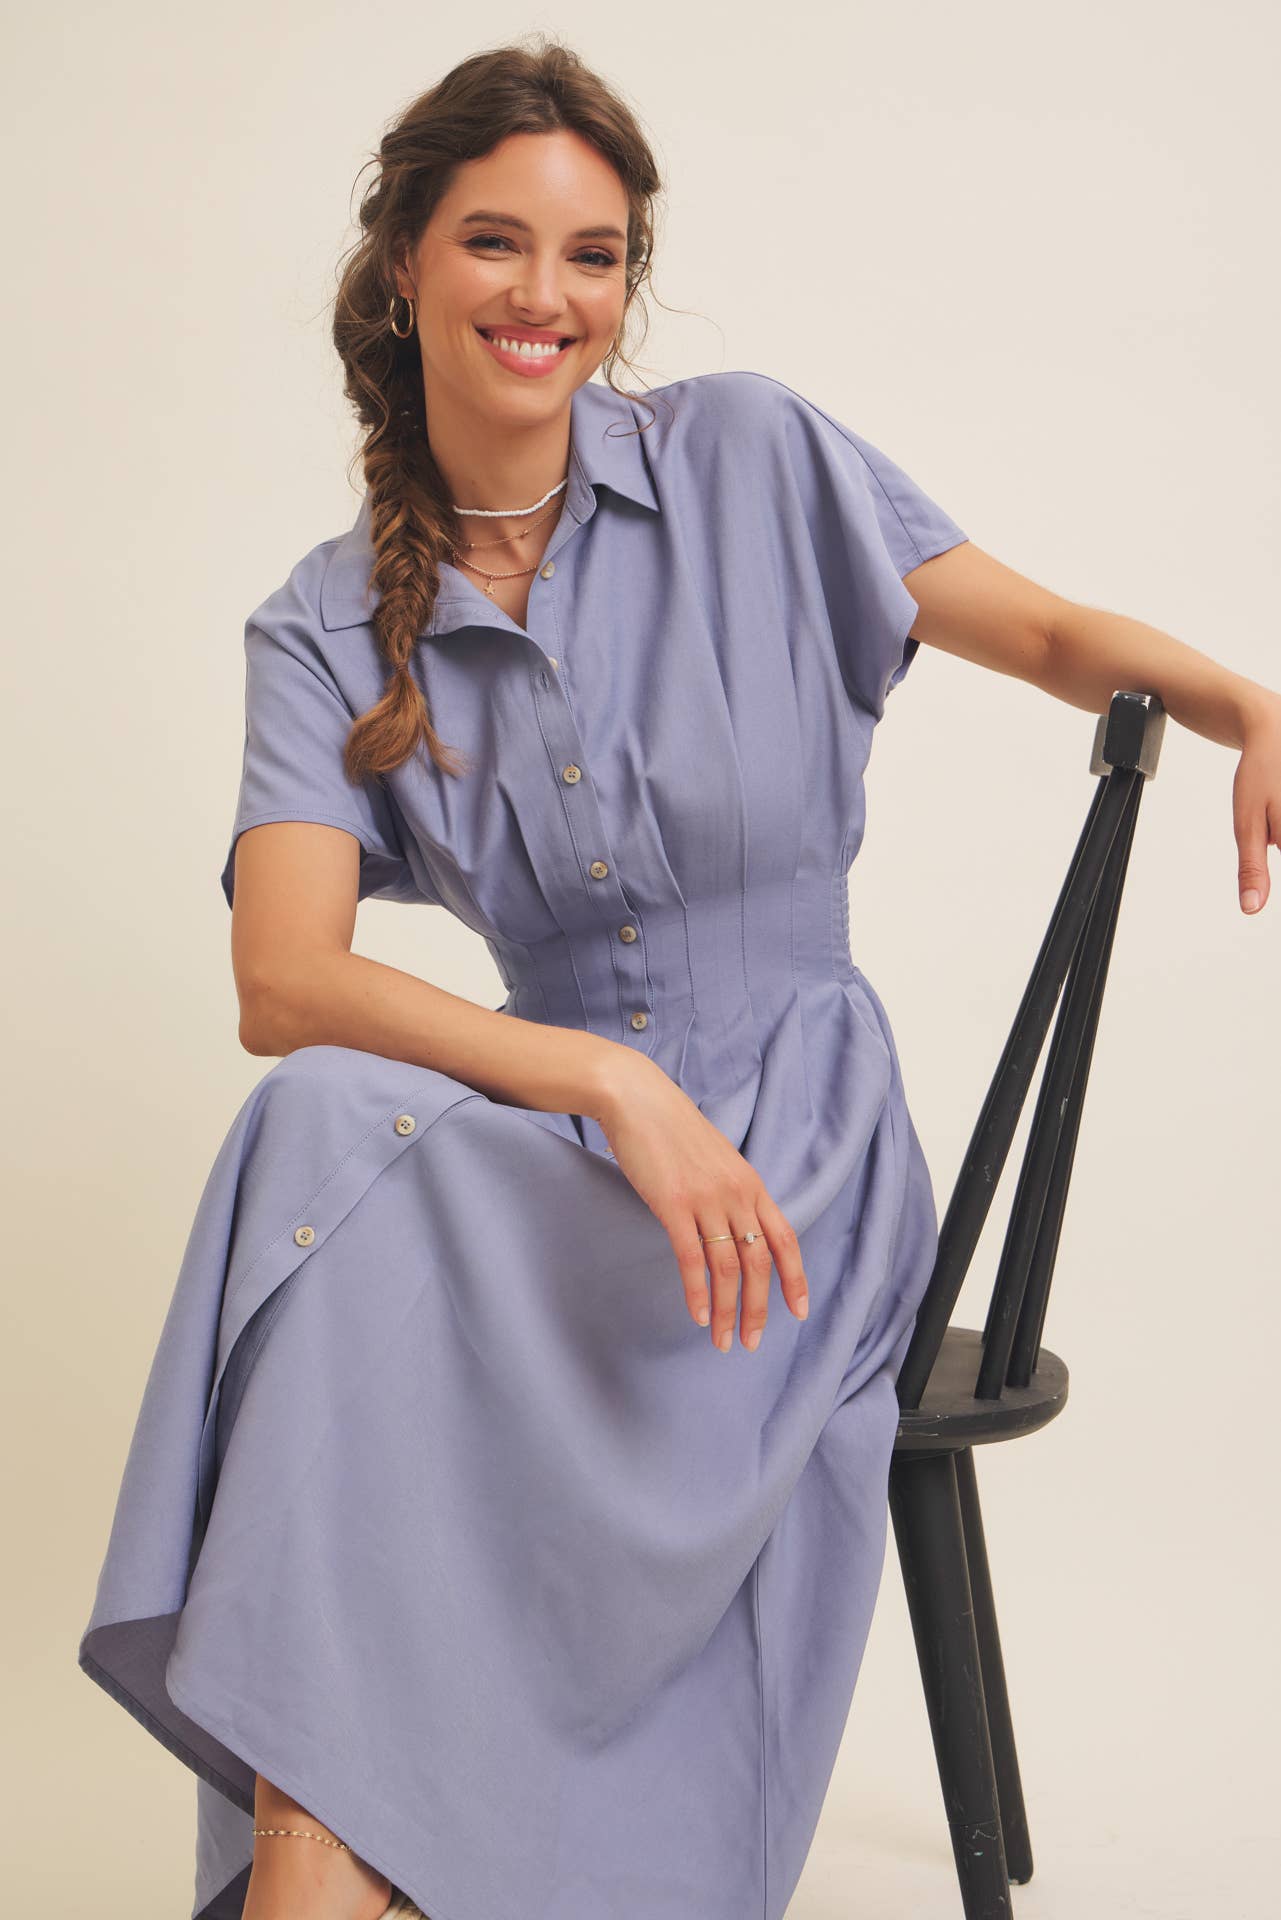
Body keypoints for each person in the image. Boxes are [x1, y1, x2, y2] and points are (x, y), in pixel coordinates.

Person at [76, 35, 1280, 1920]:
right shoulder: (323, 624)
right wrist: (603, 1080)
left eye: (595, 255)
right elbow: (282, 982)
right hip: (564, 1170)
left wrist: (1237, 700)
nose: (546, 297)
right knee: (311, 1127)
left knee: (343, 1236)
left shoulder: (750, 459)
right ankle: (334, 1851)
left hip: (787, 1176)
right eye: (495, 241)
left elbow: (1044, 633)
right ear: (403, 265)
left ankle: (334, 1868)